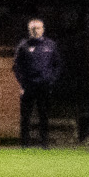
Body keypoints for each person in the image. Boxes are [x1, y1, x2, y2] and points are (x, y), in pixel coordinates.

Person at [14, 18, 60, 148]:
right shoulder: (23, 46)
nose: (36, 31)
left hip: (44, 85)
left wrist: (52, 79)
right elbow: (17, 66)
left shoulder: (50, 45)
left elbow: (57, 64)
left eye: (38, 28)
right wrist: (21, 83)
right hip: (28, 85)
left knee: (44, 115)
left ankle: (44, 144)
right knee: (26, 116)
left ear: (43, 29)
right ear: (29, 30)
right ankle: (25, 145)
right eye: (33, 29)